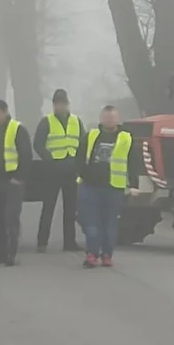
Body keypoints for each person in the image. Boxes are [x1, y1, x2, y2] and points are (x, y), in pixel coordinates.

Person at [75, 105, 133, 268]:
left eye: (112, 117)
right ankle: (92, 254)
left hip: (114, 188)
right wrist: (82, 174)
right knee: (91, 223)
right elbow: (79, 157)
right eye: (106, 117)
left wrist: (133, 185)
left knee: (110, 224)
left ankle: (107, 255)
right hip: (90, 186)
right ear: (101, 118)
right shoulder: (91, 136)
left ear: (117, 119)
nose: (109, 120)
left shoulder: (126, 138)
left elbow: (134, 162)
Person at [0, 99, 32, 266]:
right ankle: (0, 252)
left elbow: (25, 155)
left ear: (2, 111)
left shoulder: (17, 129)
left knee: (10, 218)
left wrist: (18, 178)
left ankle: (12, 253)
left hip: (12, 182)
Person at [33, 89, 84, 252]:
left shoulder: (76, 121)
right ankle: (42, 243)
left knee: (70, 208)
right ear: (53, 105)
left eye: (62, 103)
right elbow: (38, 144)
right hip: (53, 171)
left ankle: (69, 242)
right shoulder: (46, 121)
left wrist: (80, 164)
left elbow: (83, 144)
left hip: (72, 169)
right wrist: (49, 159)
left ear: (67, 104)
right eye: (57, 104)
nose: (60, 107)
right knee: (48, 207)